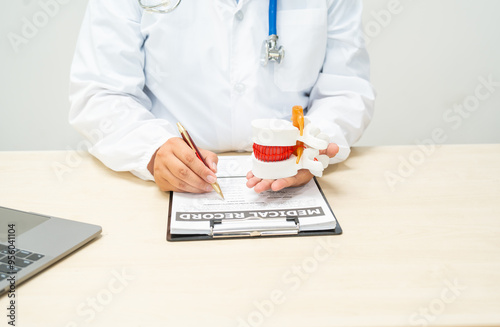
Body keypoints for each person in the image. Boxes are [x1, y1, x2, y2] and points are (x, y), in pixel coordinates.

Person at [69, 0, 375, 194]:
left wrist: (314, 146)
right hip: (168, 194)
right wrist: (152, 149)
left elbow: (346, 88)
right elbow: (101, 91)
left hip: (290, 186)